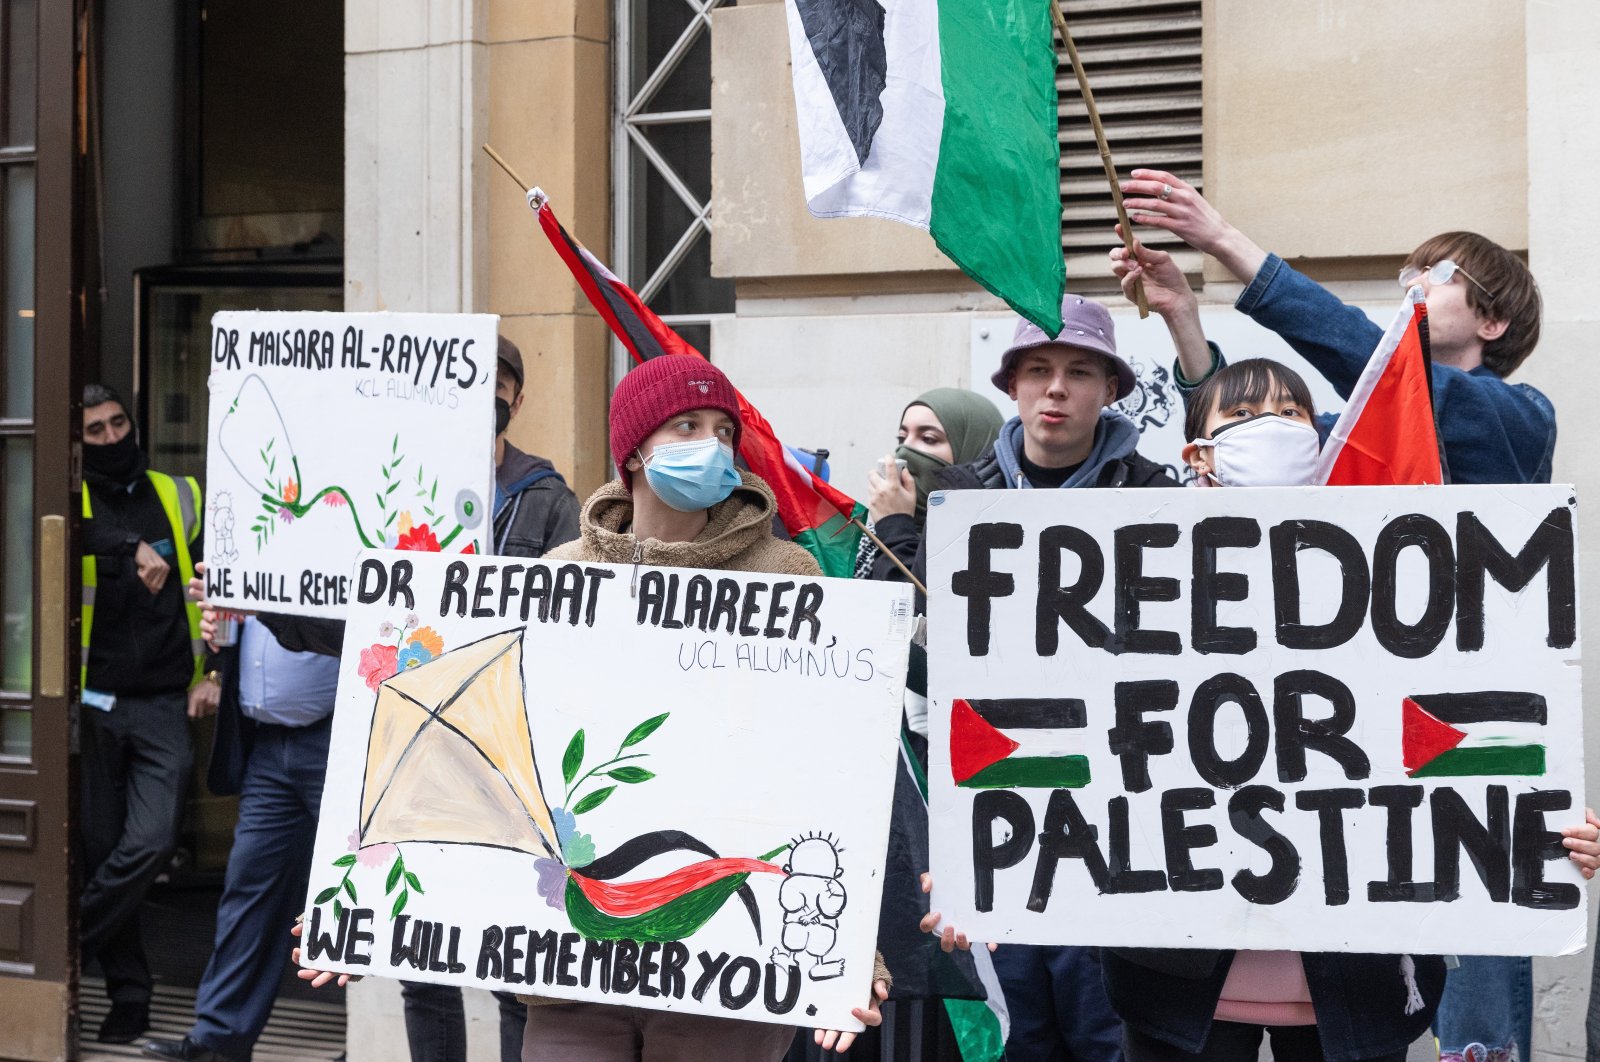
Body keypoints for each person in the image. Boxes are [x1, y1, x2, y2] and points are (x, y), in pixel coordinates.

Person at [1109, 173, 1555, 1062]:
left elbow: (1378, 363)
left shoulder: (1513, 420)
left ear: (1494, 321)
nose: (1409, 284)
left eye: (1437, 277)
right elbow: (1247, 475)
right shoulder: (1361, 426)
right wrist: (1184, 323)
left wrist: (1231, 243)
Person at [531, 353, 889, 1060]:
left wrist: (852, 948)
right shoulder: (562, 575)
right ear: (632, 451)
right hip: (577, 966)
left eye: (724, 431)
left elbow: (830, 759)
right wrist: (364, 910)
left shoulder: (787, 575)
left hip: (729, 960)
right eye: (687, 426)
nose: (714, 446)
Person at [913, 296, 1180, 1062]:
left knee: (1107, 1033)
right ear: (1014, 386)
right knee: (1014, 1033)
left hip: (1113, 815)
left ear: (1111, 389)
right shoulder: (957, 499)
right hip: (997, 809)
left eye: (1078, 372)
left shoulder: (1155, 496)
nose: (1056, 389)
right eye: (1039, 371)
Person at [398, 336, 582, 1062]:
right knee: (424, 962)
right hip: (421, 742)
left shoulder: (548, 497)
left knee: (513, 966)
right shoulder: (401, 485)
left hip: (512, 751)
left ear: (517, 398)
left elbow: (579, 614)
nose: (486, 394)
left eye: (500, 381)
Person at [141, 599, 343, 1062]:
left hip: (335, 735)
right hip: (266, 745)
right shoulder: (255, 539)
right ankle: (218, 1041)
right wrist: (216, 647)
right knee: (248, 890)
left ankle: (389, 1043)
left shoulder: (341, 533)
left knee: (368, 891)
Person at [78, 383, 213, 1044]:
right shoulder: (66, 497)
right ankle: (128, 994)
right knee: (103, 845)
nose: (111, 438)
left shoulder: (178, 492)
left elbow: (224, 577)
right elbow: (53, 531)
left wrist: (213, 670)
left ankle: (66, 944)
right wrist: (128, 542)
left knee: (151, 841)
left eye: (117, 423)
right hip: (90, 705)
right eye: (95, 431)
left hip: (163, 698)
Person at [855, 387, 1003, 584]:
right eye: (902, 438)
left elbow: (919, 606)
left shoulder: (993, 542)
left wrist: (895, 526)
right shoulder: (870, 536)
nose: (904, 452)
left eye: (928, 439)